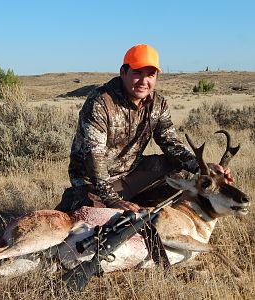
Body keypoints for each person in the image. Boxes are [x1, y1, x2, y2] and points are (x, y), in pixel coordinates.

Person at [56, 44, 232, 212]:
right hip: (93, 181)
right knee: (94, 218)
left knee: (183, 171)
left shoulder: (158, 104)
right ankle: (77, 201)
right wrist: (111, 199)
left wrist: (203, 168)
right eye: (137, 73)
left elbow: (171, 143)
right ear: (123, 72)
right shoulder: (101, 102)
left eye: (151, 75)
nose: (144, 81)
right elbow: (95, 157)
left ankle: (140, 211)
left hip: (130, 173)